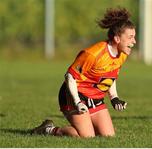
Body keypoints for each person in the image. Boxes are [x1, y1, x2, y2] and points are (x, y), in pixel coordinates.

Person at [31, 7, 136, 138]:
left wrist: (114, 98)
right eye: (130, 37)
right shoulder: (93, 54)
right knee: (86, 137)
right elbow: (70, 76)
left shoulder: (122, 54)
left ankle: (88, 125)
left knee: (108, 136)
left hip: (95, 97)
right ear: (117, 39)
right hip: (74, 94)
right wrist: (77, 102)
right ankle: (49, 129)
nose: (134, 41)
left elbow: (110, 77)